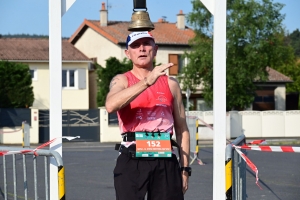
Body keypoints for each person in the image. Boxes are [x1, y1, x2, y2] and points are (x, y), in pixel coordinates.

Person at [105, 31, 190, 200]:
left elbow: (182, 130)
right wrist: (147, 82)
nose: (142, 49)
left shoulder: (171, 84)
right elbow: (110, 105)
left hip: (165, 160)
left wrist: (185, 170)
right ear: (128, 53)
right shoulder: (122, 80)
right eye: (136, 46)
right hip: (132, 159)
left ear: (155, 49)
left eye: (146, 44)